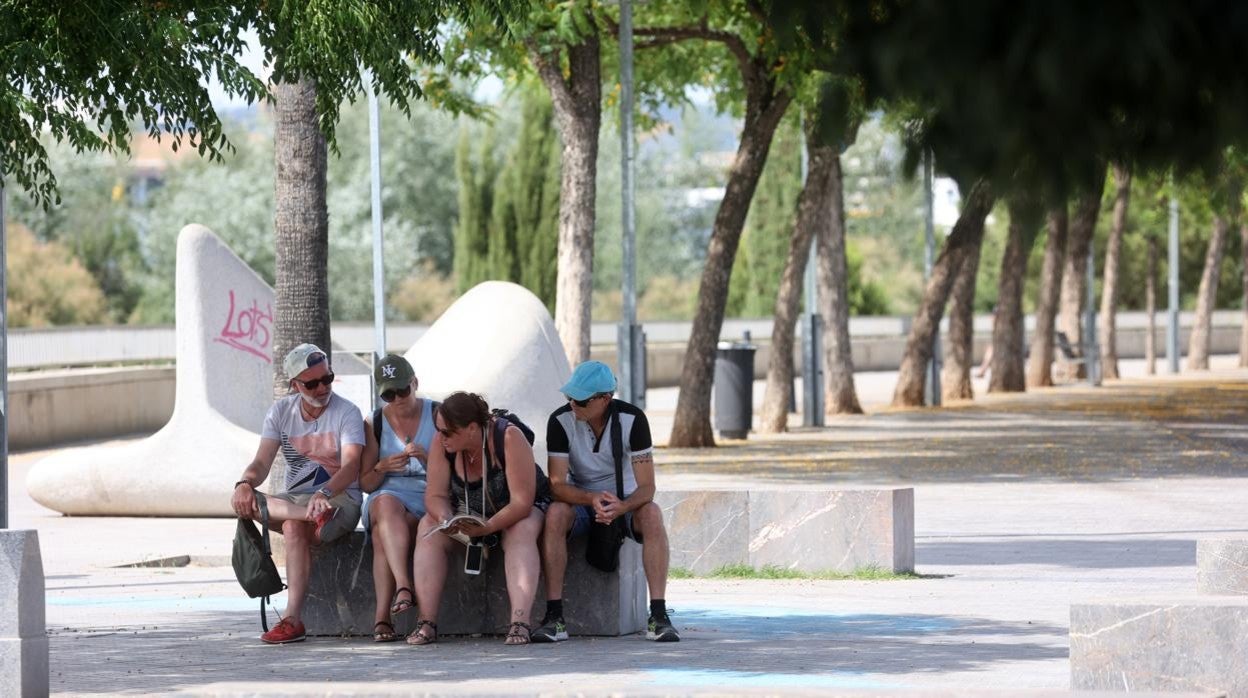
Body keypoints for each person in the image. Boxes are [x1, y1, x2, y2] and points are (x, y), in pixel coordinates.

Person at [533, 360, 679, 643]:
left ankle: (659, 615)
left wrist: (622, 506)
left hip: (625, 503)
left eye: (582, 400)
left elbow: (647, 487)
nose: (574, 404)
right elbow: (557, 486)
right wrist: (591, 498)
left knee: (651, 513)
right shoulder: (560, 421)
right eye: (570, 398)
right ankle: (554, 617)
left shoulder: (633, 419)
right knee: (555, 513)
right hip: (581, 502)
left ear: (606, 398)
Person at [230, 343, 364, 644]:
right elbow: (262, 462)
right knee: (244, 499)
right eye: (312, 383)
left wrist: (324, 493)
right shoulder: (281, 411)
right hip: (299, 503)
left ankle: (292, 619)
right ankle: (308, 516)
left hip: (339, 498)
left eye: (326, 379)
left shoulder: (347, 412)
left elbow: (352, 466)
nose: (322, 388)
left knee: (292, 527)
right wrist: (244, 483)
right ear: (295, 385)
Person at [408, 391, 550, 646]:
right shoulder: (443, 442)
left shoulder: (508, 437)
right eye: (438, 430)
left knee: (521, 531)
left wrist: (489, 527)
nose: (441, 437)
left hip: (518, 509)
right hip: (470, 512)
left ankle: (520, 622)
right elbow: (435, 494)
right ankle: (426, 622)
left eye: (448, 432)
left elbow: (522, 502)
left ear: (472, 428)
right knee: (427, 526)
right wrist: (446, 519)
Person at [359, 354, 435, 643]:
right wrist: (381, 466)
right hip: (388, 495)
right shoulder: (375, 421)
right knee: (384, 502)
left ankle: (382, 619)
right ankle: (404, 586)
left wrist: (428, 459)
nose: (398, 398)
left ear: (415, 383)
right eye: (389, 394)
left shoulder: (437, 414)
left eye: (402, 390)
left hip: (429, 494)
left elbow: (455, 472)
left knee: (381, 535)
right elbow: (365, 482)